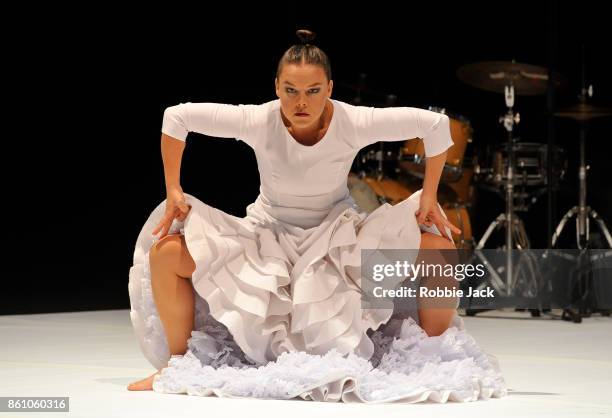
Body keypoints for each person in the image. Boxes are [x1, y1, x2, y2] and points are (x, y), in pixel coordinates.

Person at [126, 29, 507, 402]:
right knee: (167, 253)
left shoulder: (353, 120)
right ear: (277, 87)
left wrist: (429, 194)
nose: (301, 102)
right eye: (290, 90)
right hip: (267, 239)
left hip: (337, 240)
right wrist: (173, 189)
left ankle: (434, 359)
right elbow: (176, 118)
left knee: (438, 247)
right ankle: (177, 366)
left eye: (312, 91)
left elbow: (436, 126)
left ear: (329, 88)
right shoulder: (259, 119)